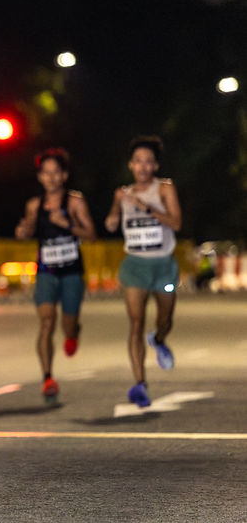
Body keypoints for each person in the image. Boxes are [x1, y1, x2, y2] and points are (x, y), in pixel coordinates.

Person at [104, 135, 181, 408]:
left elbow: (176, 222)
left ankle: (159, 339)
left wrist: (146, 207)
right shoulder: (122, 194)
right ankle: (140, 384)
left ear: (156, 166)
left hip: (163, 266)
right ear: (131, 165)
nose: (143, 166)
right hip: (135, 265)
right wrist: (115, 211)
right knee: (135, 322)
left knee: (165, 320)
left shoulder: (165, 189)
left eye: (149, 161)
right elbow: (112, 223)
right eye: (138, 161)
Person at [15, 148, 96, 403]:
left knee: (66, 325)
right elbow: (25, 231)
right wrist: (23, 231)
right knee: (46, 322)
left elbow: (91, 235)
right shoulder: (34, 205)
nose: (51, 178)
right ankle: (47, 377)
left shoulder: (74, 202)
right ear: (40, 177)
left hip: (71, 271)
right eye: (46, 173)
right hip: (46, 271)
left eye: (56, 173)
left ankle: (73, 333)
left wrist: (68, 225)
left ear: (64, 175)